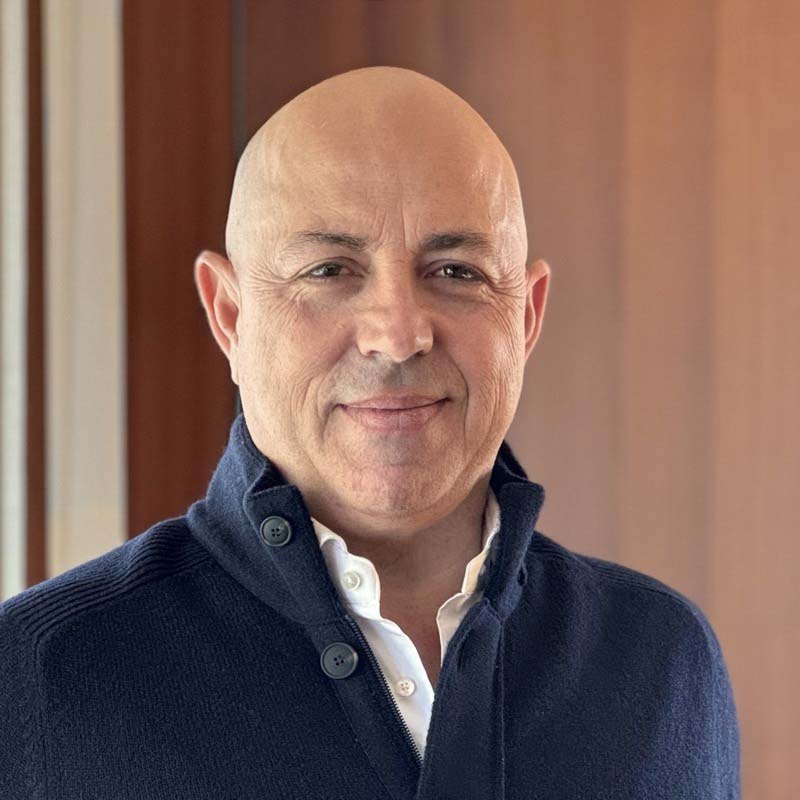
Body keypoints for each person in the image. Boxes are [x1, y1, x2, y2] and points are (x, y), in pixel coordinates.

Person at [0, 66, 740, 799]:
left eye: (456, 271)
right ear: (230, 316)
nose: (398, 334)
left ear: (526, 316)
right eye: (329, 270)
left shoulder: (663, 660)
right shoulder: (37, 678)